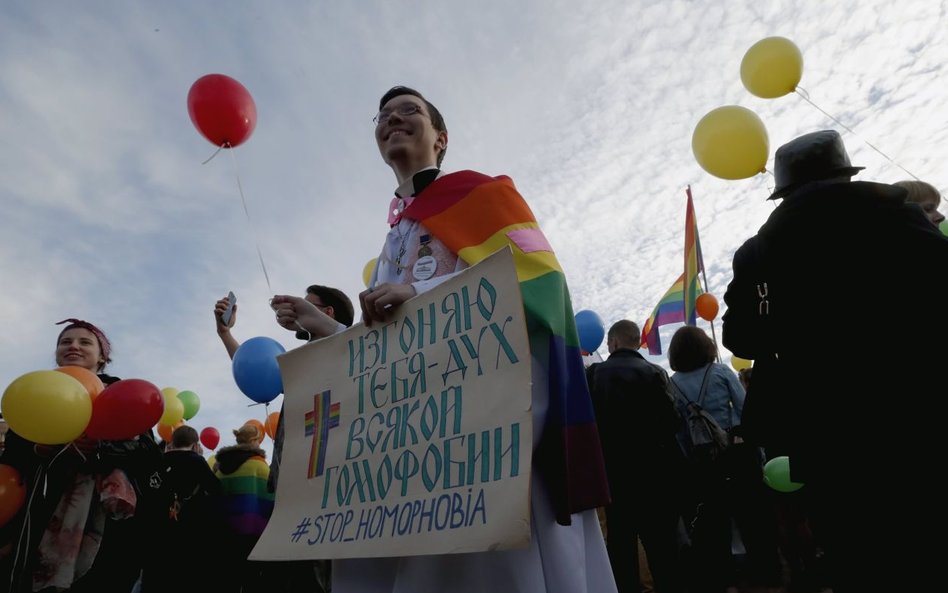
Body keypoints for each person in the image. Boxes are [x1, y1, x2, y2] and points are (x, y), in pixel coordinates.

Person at [271, 85, 614, 593]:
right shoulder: (392, 239)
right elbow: (384, 348)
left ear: (441, 138)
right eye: (383, 115)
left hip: (483, 432)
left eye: (409, 111)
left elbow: (540, 281)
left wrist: (417, 289)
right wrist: (322, 326)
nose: (393, 119)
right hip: (413, 447)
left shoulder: (484, 193)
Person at [722, 129, 948, 592]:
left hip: (824, 432)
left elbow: (741, 337)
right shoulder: (896, 213)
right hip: (921, 411)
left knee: (856, 556)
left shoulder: (757, 252)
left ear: (782, 190)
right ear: (844, 173)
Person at [0, 319, 162, 593]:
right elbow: (13, 454)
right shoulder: (37, 391)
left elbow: (148, 454)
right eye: (66, 341)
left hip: (106, 524)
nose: (73, 346)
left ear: (102, 358)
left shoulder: (121, 395)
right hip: (39, 511)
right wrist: (37, 449)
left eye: (84, 342)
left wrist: (100, 450)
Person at [214, 287, 350, 593]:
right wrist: (225, 333)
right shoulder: (299, 362)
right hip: (293, 484)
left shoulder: (351, 348)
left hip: (332, 484)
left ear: (327, 313)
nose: (292, 310)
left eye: (306, 305)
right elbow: (253, 366)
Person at [586, 320, 684, 593]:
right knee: (664, 550)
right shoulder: (655, 372)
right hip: (656, 477)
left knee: (620, 548)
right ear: (635, 341)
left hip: (614, 478)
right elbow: (673, 421)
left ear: (614, 342)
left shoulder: (594, 374)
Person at [667, 325, 745, 593]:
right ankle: (753, 566)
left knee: (711, 520)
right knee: (744, 510)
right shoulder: (721, 372)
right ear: (707, 346)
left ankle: (724, 577)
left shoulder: (671, 383)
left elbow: (674, 428)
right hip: (731, 455)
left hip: (696, 462)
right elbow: (744, 408)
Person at [140, 425, 221, 593]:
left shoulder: (158, 460)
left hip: (157, 526)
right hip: (190, 525)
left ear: (172, 441)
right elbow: (216, 488)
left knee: (155, 573)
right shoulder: (197, 461)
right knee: (184, 573)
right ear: (195, 443)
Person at [213, 422, 275, 593]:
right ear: (254, 440)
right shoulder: (259, 465)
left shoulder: (219, 467)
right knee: (251, 581)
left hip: (224, 532)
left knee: (228, 580)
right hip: (252, 535)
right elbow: (271, 498)